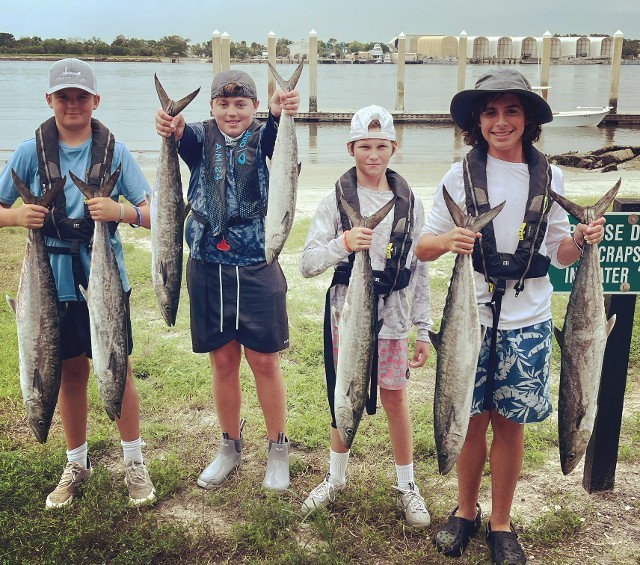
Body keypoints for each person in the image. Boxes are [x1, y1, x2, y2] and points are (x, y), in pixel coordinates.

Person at [415, 68, 606, 564]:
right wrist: (447, 241)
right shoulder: (456, 177)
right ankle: (464, 511)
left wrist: (581, 241)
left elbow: (559, 253)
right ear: (477, 122)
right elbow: (423, 246)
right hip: (468, 323)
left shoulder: (551, 176)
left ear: (528, 120)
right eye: (491, 112)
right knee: (470, 420)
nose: (501, 121)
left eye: (511, 111)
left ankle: (500, 521)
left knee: (511, 425)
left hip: (529, 319)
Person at [0, 58, 156, 508]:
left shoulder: (116, 152)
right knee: (68, 373)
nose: (72, 105)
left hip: (105, 282)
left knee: (117, 370)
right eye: (63, 97)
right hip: (51, 285)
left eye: (80, 97)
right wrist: (16, 216)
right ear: (49, 101)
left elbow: (153, 214)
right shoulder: (30, 152)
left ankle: (133, 460)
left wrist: (121, 212)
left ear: (95, 102)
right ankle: (76, 462)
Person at [155, 69, 300, 492]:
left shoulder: (265, 135)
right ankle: (229, 445)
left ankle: (277, 447)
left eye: (241, 104)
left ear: (254, 106)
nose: (232, 111)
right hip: (206, 262)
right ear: (212, 106)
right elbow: (180, 135)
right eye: (223, 103)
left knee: (264, 360)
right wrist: (171, 124)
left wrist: (279, 112)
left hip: (257, 260)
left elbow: (279, 139)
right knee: (222, 360)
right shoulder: (199, 137)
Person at [299, 105, 432, 527]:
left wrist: (423, 329)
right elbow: (307, 263)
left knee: (395, 396)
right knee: (344, 394)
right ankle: (335, 477)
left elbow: (420, 271)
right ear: (351, 148)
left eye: (381, 146)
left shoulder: (412, 204)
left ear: (394, 147)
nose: (372, 155)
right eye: (364, 147)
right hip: (347, 313)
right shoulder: (332, 201)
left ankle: (406, 485)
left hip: (392, 317)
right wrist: (344, 242)